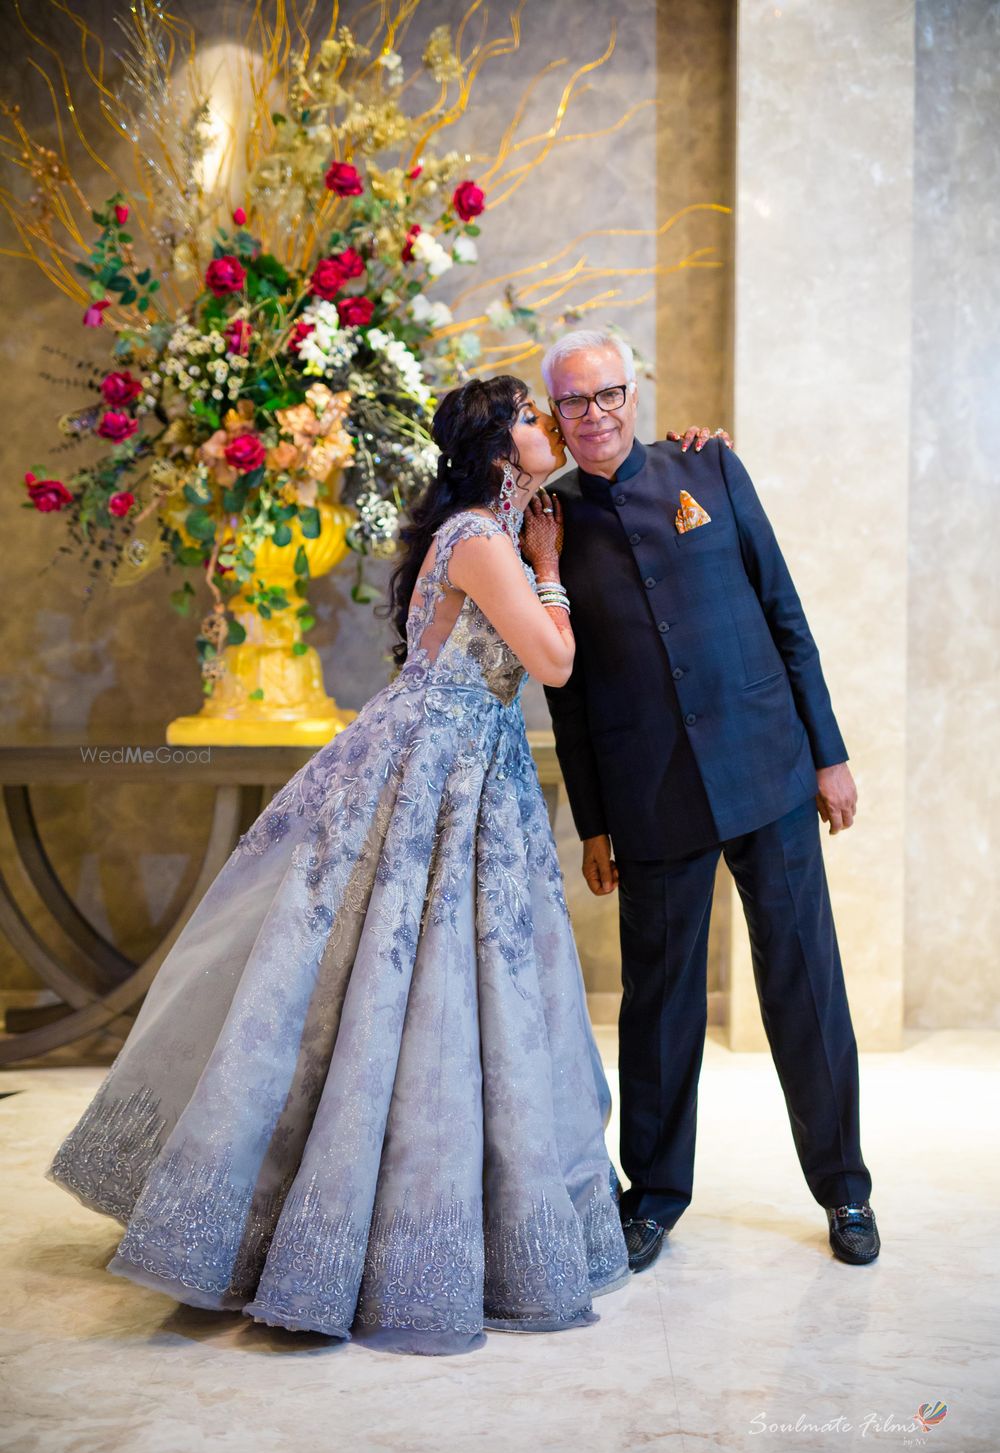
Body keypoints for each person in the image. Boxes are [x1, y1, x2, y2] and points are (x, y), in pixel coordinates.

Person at [47, 375, 641, 1356]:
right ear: (498, 450)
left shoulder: (470, 532)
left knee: (424, 985)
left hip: (455, 768)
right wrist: (548, 566)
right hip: (437, 773)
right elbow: (553, 661)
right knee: (405, 986)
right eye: (531, 418)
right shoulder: (486, 541)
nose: (547, 425)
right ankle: (351, 1235)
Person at [541, 329, 879, 1275]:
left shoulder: (710, 466)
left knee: (805, 984)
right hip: (650, 797)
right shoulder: (552, 523)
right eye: (574, 402)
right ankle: (651, 1197)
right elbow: (566, 692)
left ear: (635, 394)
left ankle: (845, 1188)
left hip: (767, 768)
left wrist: (829, 753)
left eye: (608, 393)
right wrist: (596, 822)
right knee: (659, 1001)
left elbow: (785, 613)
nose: (595, 414)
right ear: (556, 416)